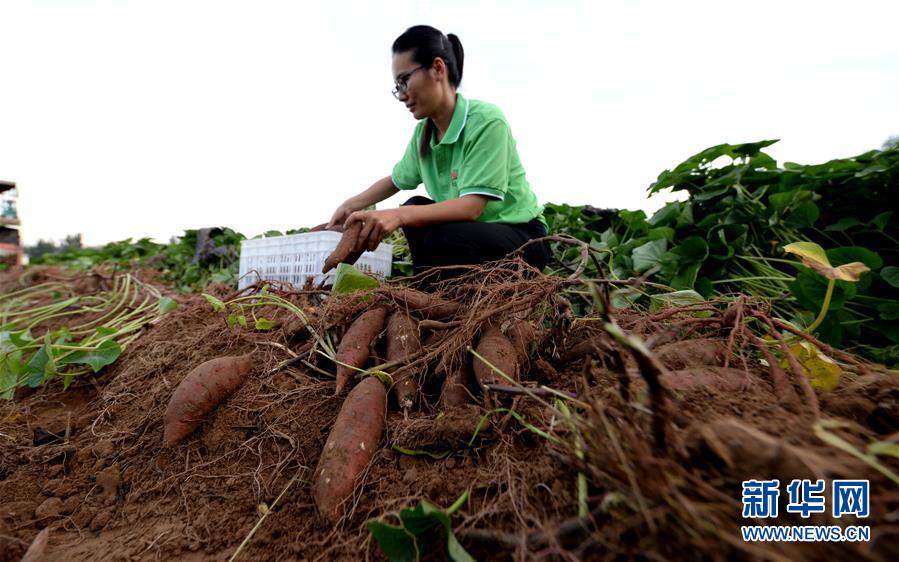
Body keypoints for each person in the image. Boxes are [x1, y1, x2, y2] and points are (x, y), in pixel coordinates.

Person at [326, 25, 549, 282]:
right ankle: (434, 293)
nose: (402, 95)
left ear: (438, 68)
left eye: (405, 80)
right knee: (415, 206)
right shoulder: (424, 133)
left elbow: (471, 207)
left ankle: (445, 293)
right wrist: (350, 206)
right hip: (473, 235)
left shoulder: (486, 122)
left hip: (524, 240)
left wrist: (397, 216)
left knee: (438, 233)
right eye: (397, 86)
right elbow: (395, 180)